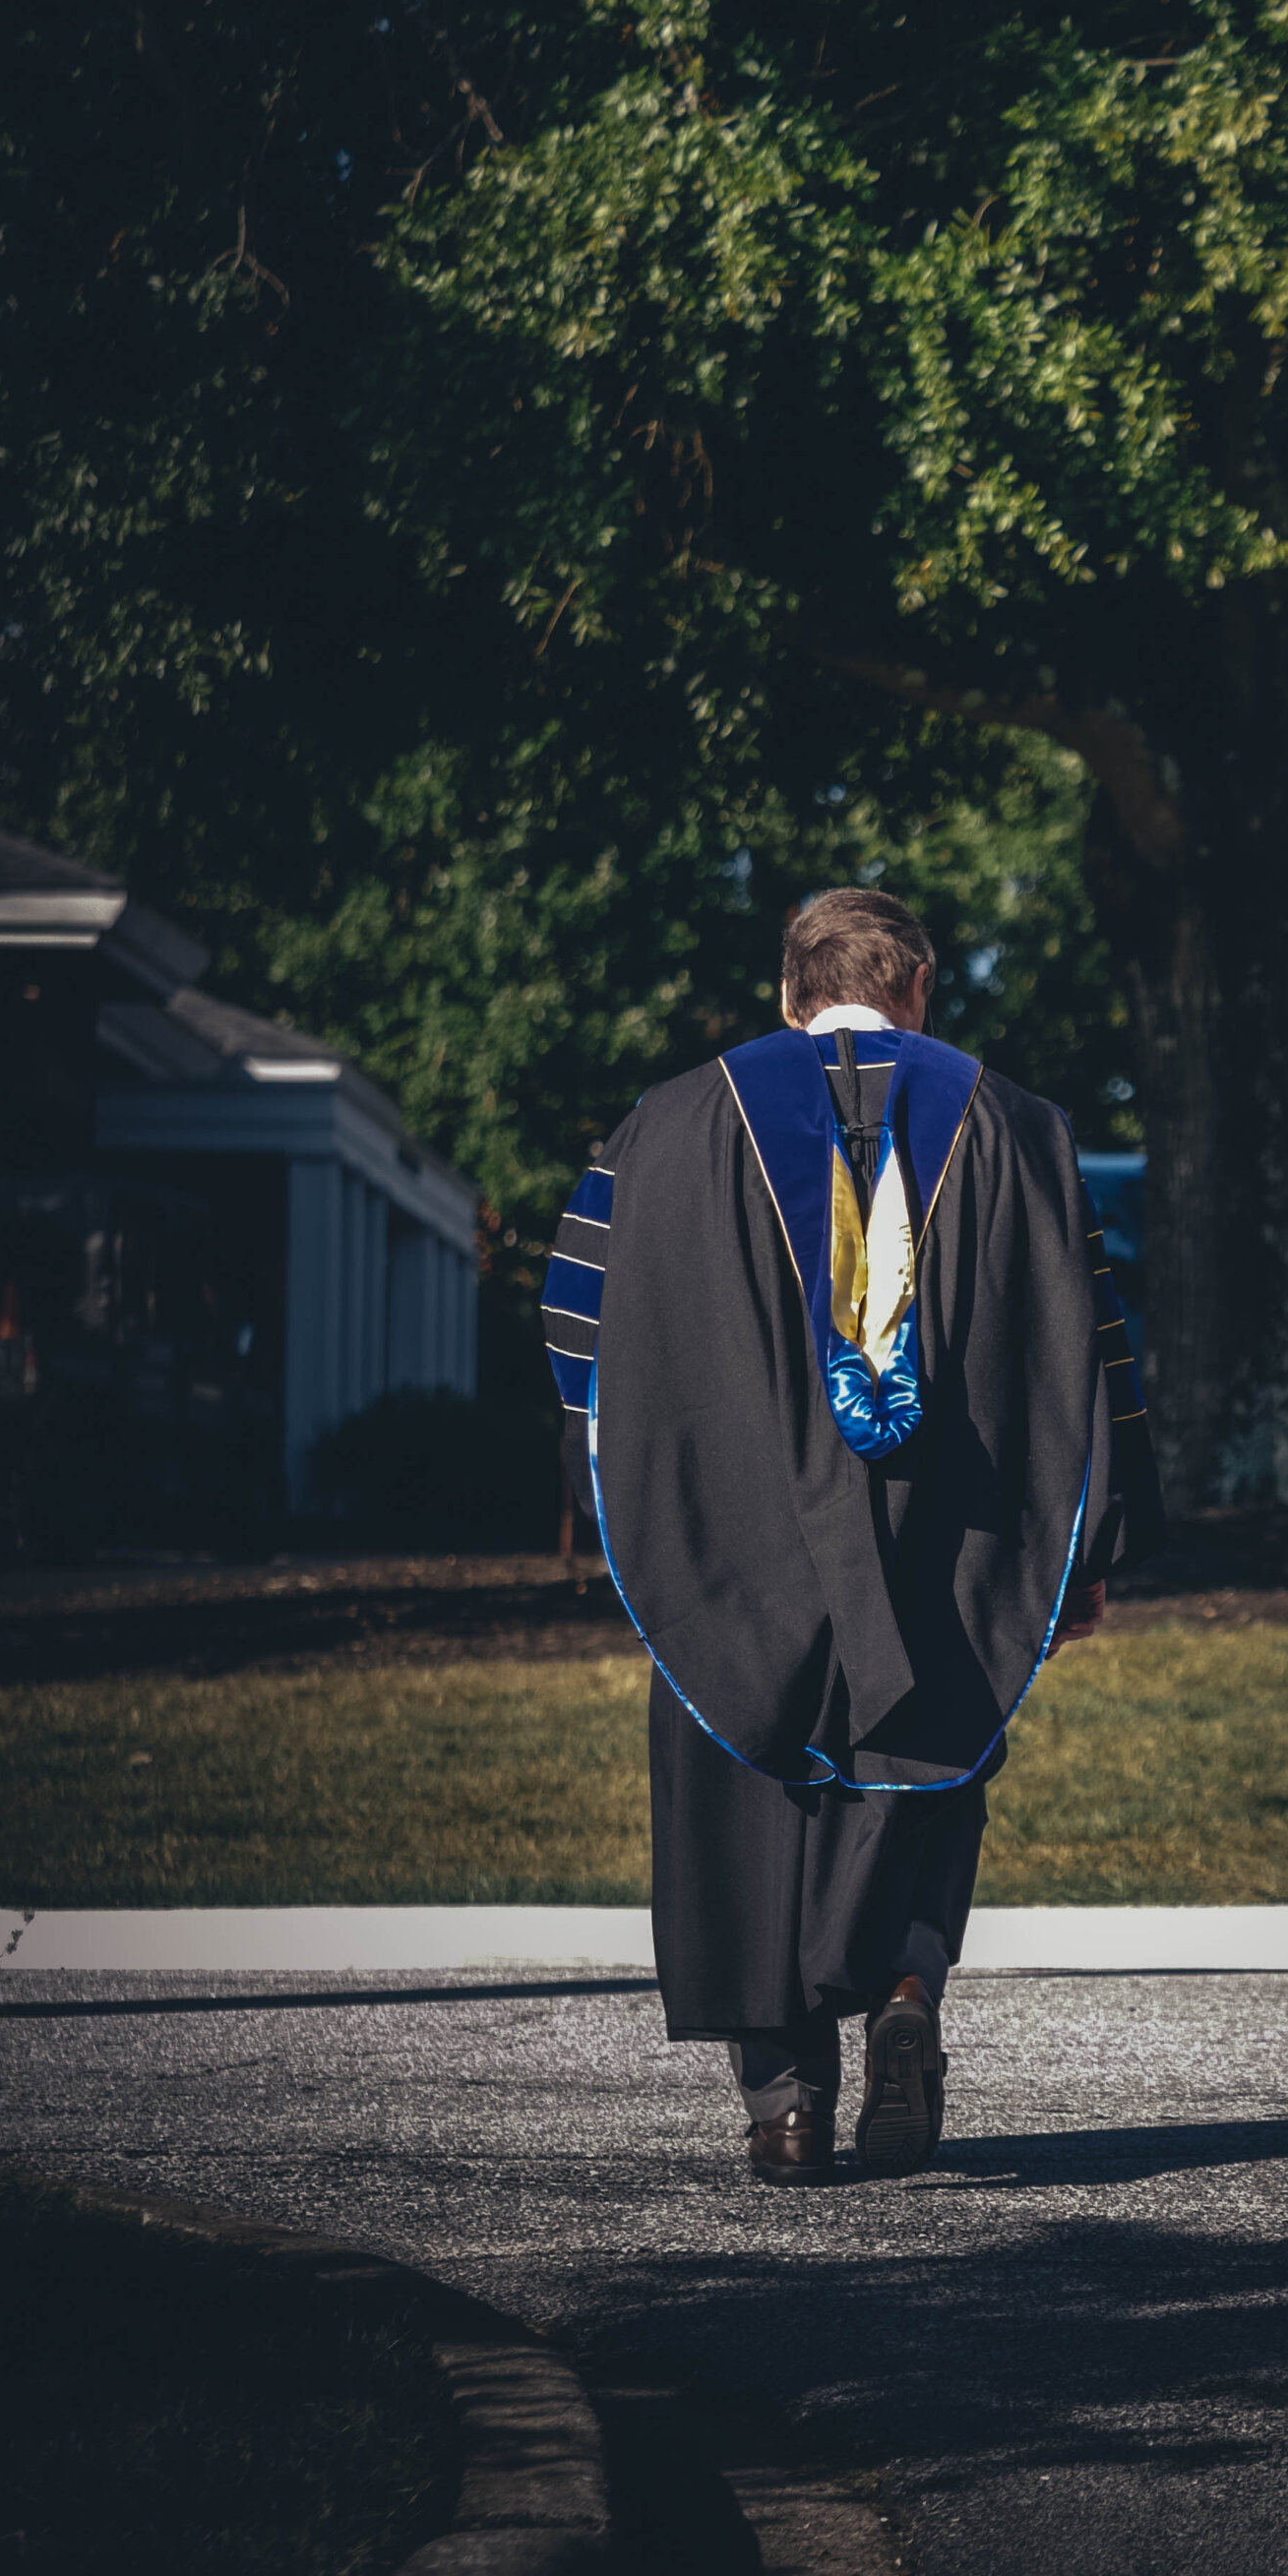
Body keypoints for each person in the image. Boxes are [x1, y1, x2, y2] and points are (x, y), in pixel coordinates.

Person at [542, 888, 1163, 2183]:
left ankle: (783, 2100)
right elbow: (1088, 1354)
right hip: (946, 1533)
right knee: (923, 1749)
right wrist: (1091, 1544)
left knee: (740, 1776)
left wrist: (613, 1497)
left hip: (732, 1531)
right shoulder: (1020, 1126)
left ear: (788, 993)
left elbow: (579, 1329)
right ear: (918, 986)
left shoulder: (664, 1125)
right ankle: (903, 1992)